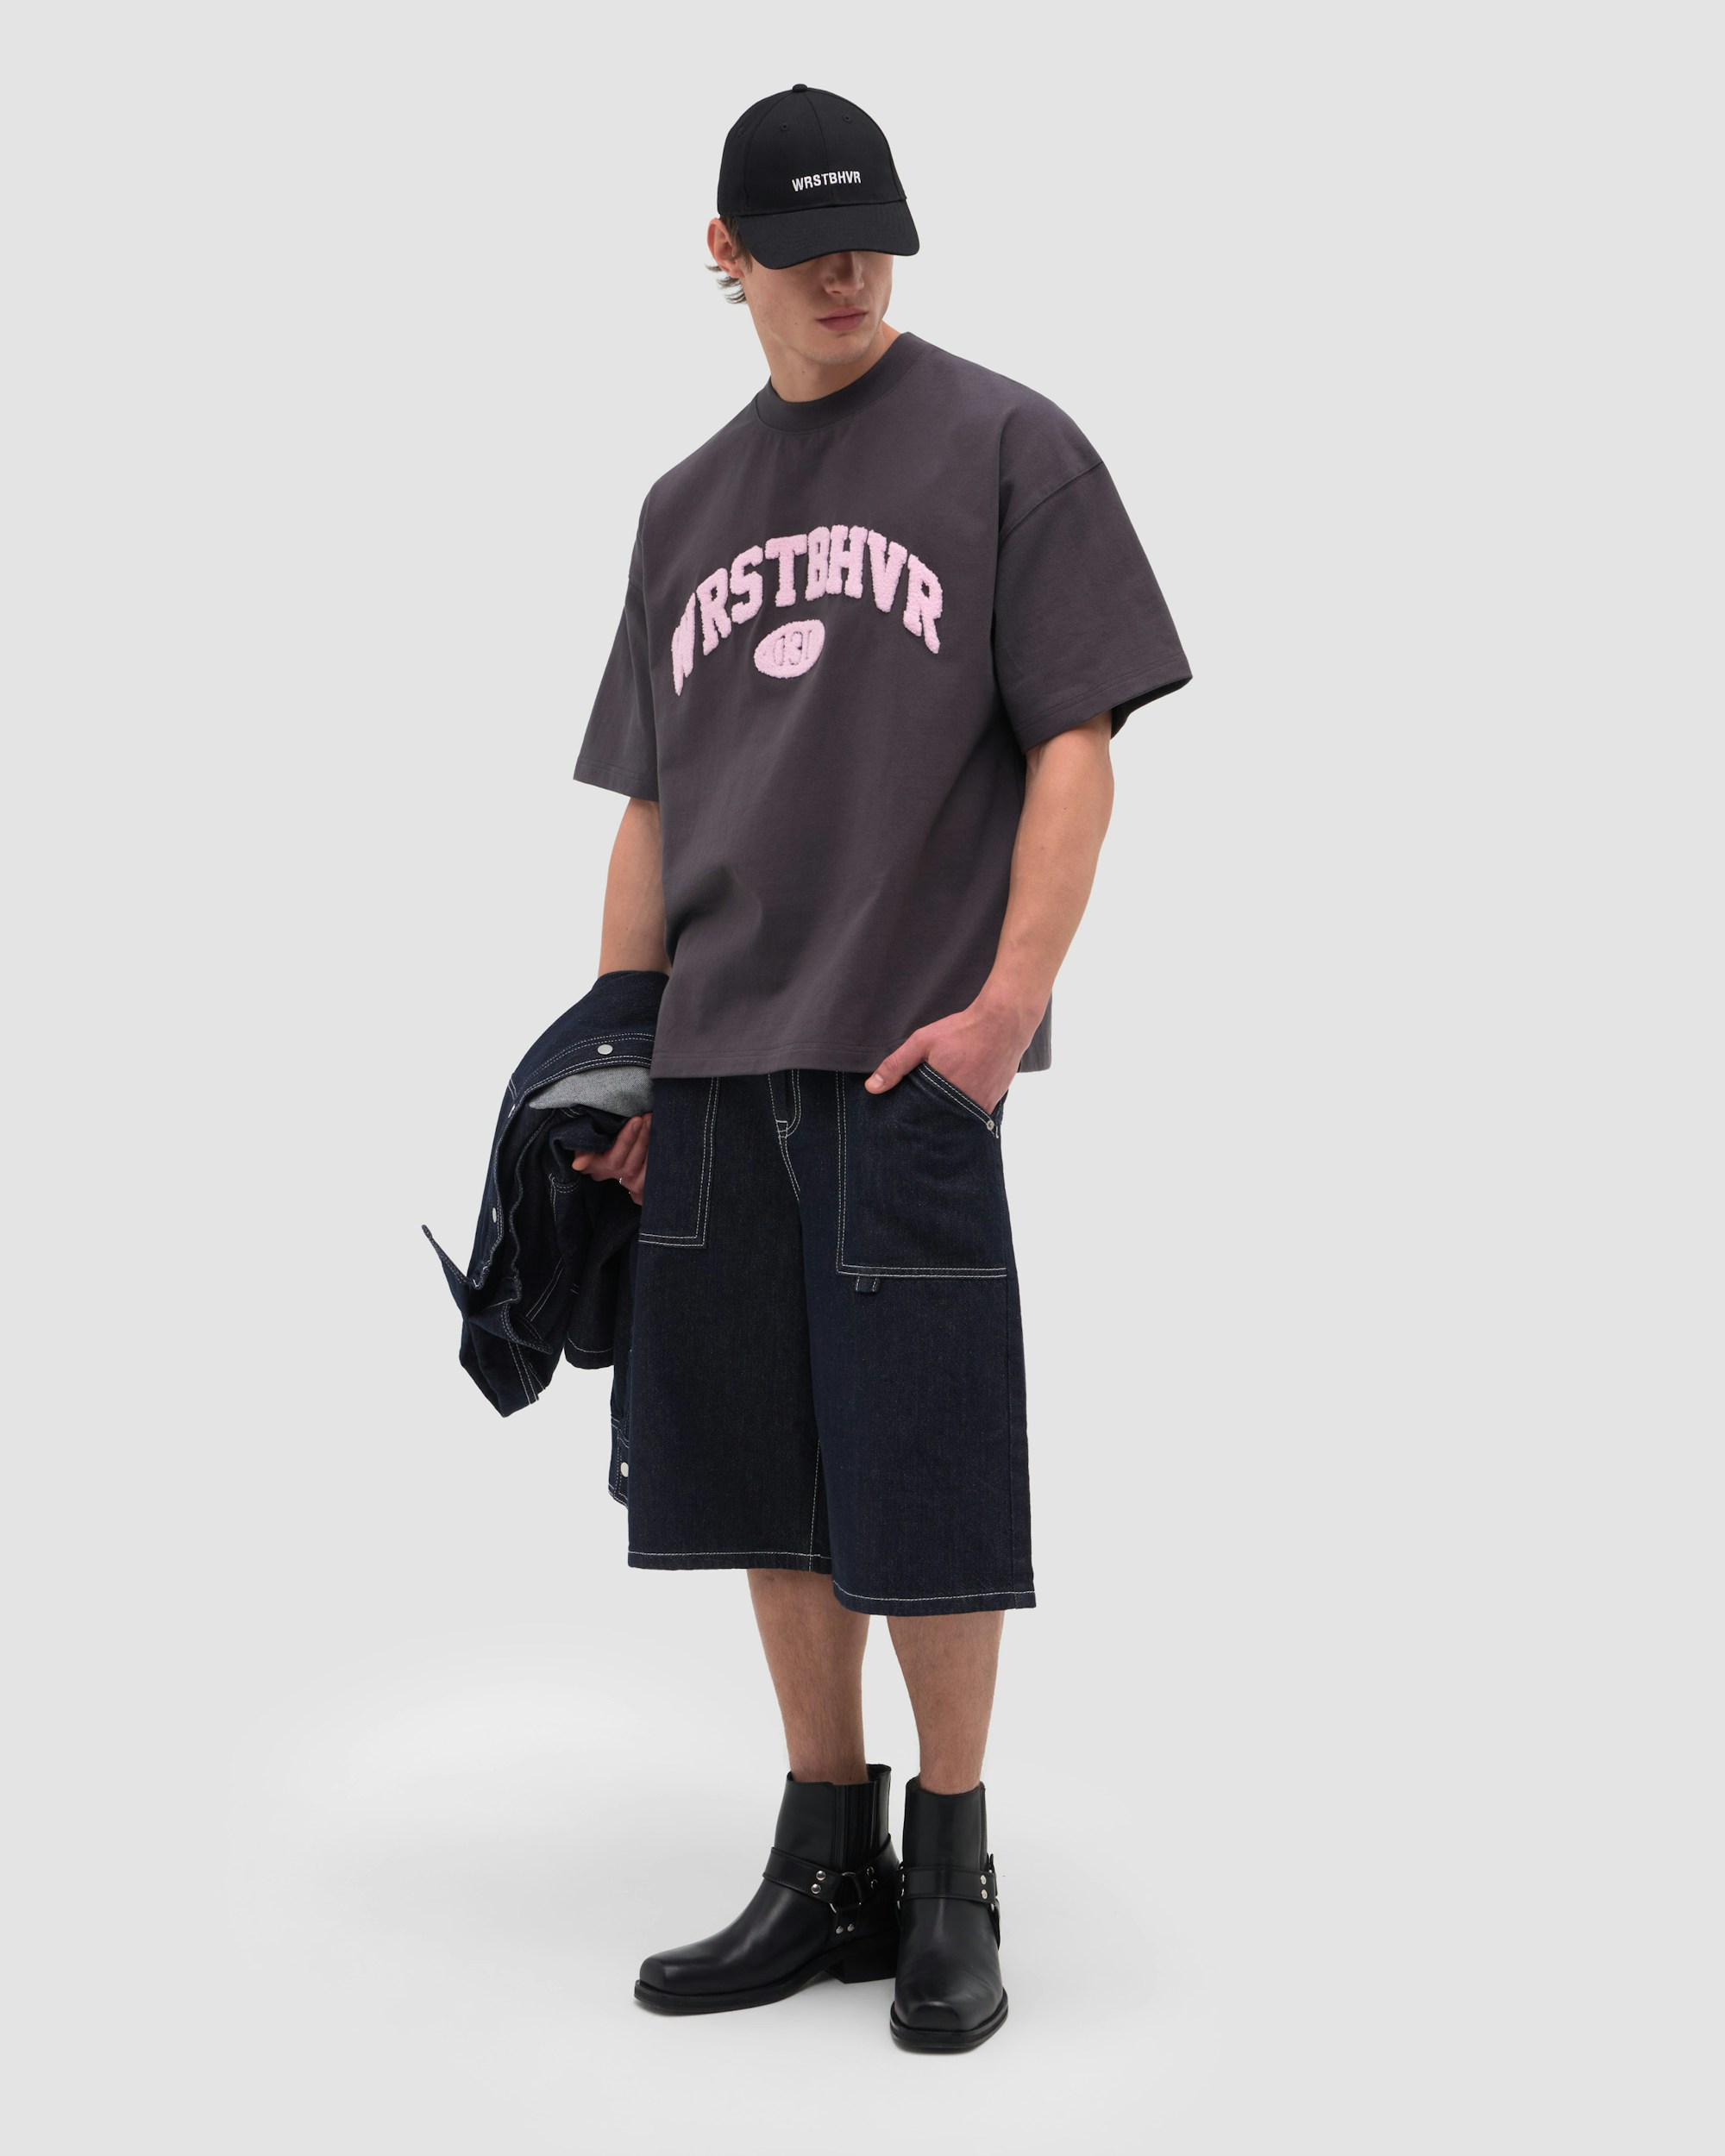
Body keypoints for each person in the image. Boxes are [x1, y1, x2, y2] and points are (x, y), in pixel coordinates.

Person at [570, 83, 1190, 2052]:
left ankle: (949, 1868)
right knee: (761, 1481)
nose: (847, 276)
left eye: (873, 242)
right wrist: (619, 1060)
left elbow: (1078, 743)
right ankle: (822, 1852)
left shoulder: (1008, 446)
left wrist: (1002, 1013)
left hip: (905, 1063)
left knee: (926, 1470)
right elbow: (650, 810)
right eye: (806, 246)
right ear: (726, 253)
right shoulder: (681, 507)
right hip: (716, 1071)